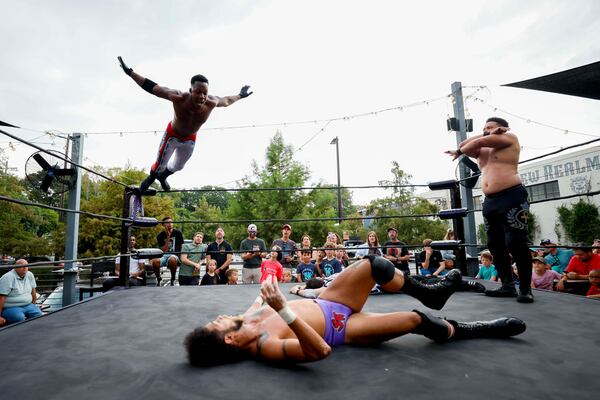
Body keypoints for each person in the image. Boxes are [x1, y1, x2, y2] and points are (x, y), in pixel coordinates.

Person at [184, 256, 526, 366]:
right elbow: (319, 351)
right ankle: (476, 329)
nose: (217, 317)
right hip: (342, 328)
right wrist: (285, 310)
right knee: (415, 320)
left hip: (330, 302)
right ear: (229, 339)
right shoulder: (263, 346)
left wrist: (268, 287)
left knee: (372, 264)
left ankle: (431, 292)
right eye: (214, 324)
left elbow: (259, 300)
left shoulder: (247, 317)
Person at [118, 56, 252, 193]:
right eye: (198, 92)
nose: (202, 97)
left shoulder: (212, 102)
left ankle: (163, 177)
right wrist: (130, 73)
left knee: (179, 166)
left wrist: (240, 95)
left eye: (205, 93)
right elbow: (153, 88)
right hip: (172, 135)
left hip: (190, 138)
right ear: (190, 91)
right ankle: (151, 178)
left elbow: (227, 100)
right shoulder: (178, 97)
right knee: (159, 165)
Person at [446, 117, 533, 303]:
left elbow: (476, 143)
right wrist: (487, 133)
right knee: (494, 244)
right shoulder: (482, 151)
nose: (486, 131)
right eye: (484, 128)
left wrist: (491, 135)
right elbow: (465, 144)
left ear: (502, 128)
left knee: (516, 242)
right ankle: (507, 285)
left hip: (512, 196)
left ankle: (525, 289)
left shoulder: (509, 138)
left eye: (490, 127)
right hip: (490, 201)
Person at [0, 259, 43, 326]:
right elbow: (1, 297)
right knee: (19, 318)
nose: (25, 268)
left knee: (39, 315)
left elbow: (33, 290)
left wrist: (33, 304)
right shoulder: (7, 277)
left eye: (26, 266)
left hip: (28, 305)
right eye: (22, 266)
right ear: (15, 267)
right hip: (11, 307)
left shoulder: (29, 275)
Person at [152, 216, 184, 286]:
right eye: (167, 223)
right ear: (163, 225)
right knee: (154, 261)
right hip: (164, 255)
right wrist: (168, 236)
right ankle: (159, 278)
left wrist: (181, 257)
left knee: (172, 259)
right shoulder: (160, 236)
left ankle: (173, 279)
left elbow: (182, 246)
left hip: (175, 255)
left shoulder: (178, 233)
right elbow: (164, 250)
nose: (170, 224)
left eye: (171, 222)